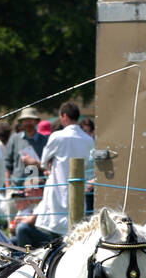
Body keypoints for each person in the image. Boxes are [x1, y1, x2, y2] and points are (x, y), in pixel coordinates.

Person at [20, 100, 93, 238]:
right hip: (78, 193)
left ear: (64, 116)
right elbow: (90, 167)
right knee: (74, 230)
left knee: (53, 233)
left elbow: (43, 162)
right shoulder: (88, 139)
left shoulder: (57, 136)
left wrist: (35, 162)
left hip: (57, 193)